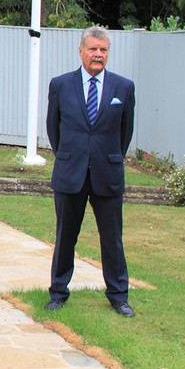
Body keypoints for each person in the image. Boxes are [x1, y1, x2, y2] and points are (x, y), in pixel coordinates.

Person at [45, 26, 136, 317]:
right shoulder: (60, 85)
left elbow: (125, 132)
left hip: (107, 174)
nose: (98, 55)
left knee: (112, 238)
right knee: (65, 237)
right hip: (70, 173)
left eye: (104, 50)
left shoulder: (123, 87)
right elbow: (53, 129)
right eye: (93, 49)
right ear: (81, 51)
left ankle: (119, 296)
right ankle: (58, 292)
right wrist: (71, 156)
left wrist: (107, 158)